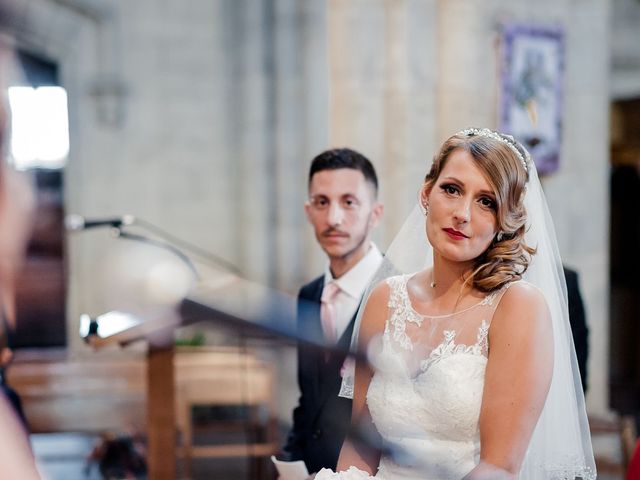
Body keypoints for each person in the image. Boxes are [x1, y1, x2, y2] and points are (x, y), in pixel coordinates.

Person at [316, 128, 595, 479]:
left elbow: (499, 466)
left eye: (486, 201)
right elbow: (360, 444)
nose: (462, 213)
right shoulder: (385, 298)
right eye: (452, 189)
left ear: (504, 221)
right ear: (426, 193)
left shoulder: (517, 306)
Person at [282, 148, 384, 474]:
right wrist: (289, 463)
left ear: (375, 213)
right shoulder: (309, 296)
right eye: (322, 202)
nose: (333, 218)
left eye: (349, 202)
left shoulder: (402, 294)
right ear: (309, 211)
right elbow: (309, 401)